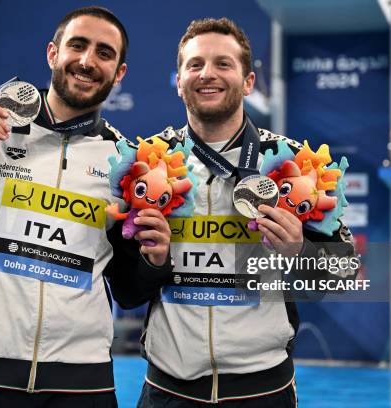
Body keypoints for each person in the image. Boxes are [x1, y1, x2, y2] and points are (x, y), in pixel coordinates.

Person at [0, 6, 171, 407]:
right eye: (77, 45)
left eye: (104, 53)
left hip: (83, 384)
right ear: (52, 53)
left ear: (119, 73)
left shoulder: (126, 163)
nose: (88, 61)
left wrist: (155, 261)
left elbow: (129, 291)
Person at [137, 18, 355, 407]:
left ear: (249, 81)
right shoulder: (149, 163)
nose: (208, 74)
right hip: (168, 391)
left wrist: (299, 252)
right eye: (195, 64)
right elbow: (124, 283)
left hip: (263, 392)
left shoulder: (296, 166)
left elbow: (344, 275)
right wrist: (153, 263)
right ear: (179, 80)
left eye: (223, 63)